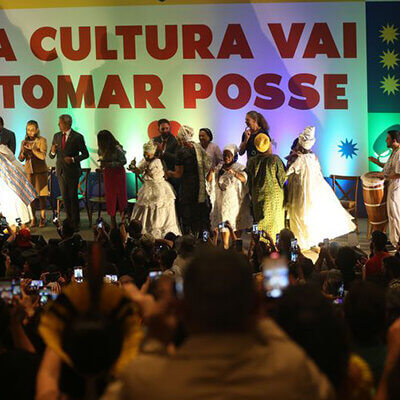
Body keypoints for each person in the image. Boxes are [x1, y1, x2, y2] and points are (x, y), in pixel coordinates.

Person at [102, 247, 334, 400]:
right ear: (255, 306)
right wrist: (266, 315)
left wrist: (154, 338)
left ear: (182, 310)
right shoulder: (291, 370)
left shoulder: (145, 380)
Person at [286, 126, 356, 250]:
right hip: (315, 191)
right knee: (310, 215)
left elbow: (285, 173)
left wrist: (289, 161)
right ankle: (311, 242)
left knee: (301, 216)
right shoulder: (313, 157)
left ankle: (303, 243)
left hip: (302, 192)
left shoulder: (299, 159)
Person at [129, 141, 181, 238]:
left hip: (158, 188)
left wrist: (144, 170)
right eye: (144, 154)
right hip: (147, 187)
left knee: (158, 209)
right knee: (146, 209)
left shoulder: (157, 162)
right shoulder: (144, 160)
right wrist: (134, 167)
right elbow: (139, 171)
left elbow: (152, 174)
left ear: (153, 153)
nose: (145, 156)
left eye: (147, 154)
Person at [167, 125, 211, 236]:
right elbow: (208, 164)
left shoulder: (181, 152)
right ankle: (203, 241)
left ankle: (188, 242)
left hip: (187, 188)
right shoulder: (198, 147)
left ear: (181, 138)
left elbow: (178, 174)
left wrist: (168, 173)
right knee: (199, 216)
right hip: (199, 187)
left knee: (187, 216)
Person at [207, 144, 252, 249]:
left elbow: (244, 179)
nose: (226, 157)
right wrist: (211, 172)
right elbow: (209, 180)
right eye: (224, 155)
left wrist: (234, 173)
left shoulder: (239, 167)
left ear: (234, 156)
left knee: (235, 224)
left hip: (233, 201)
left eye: (229, 155)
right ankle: (226, 246)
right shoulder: (219, 167)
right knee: (223, 223)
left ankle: (237, 248)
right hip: (221, 200)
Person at [49, 114, 89, 231]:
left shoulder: (77, 137)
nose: (58, 125)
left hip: (72, 171)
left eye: (60, 123)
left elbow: (85, 154)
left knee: (73, 197)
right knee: (65, 198)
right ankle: (68, 223)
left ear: (67, 124)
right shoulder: (56, 136)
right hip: (61, 171)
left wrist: (73, 159)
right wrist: (52, 152)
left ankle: (75, 223)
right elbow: (52, 156)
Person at [247, 133, 286, 240]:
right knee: (275, 225)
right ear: (268, 144)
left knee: (260, 223)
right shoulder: (275, 160)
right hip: (274, 198)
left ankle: (261, 247)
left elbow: (249, 182)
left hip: (257, 196)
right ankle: (274, 248)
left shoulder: (251, 161)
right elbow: (282, 179)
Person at [369, 129, 400, 246]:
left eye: (388, 138)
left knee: (394, 215)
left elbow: (398, 173)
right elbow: (388, 167)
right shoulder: (394, 151)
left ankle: (396, 243)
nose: (386, 140)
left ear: (394, 140)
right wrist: (376, 162)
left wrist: (383, 175)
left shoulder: (399, 153)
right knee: (392, 215)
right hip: (391, 186)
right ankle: (393, 239)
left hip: (395, 188)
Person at [18, 120, 49, 228]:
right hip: (29, 173)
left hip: (40, 172)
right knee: (31, 197)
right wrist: (23, 152)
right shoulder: (24, 142)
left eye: (32, 130)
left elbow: (43, 156)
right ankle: (33, 218)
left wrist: (33, 150)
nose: (29, 132)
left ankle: (42, 218)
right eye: (28, 129)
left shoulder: (42, 140)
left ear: (36, 130)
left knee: (42, 197)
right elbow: (20, 158)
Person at [97, 130, 127, 229]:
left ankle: (123, 221)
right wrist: (102, 166)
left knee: (120, 196)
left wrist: (109, 164)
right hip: (108, 175)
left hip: (118, 174)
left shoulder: (117, 148)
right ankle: (113, 222)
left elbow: (123, 161)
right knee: (110, 198)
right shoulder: (101, 150)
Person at [0, 144, 35, 225]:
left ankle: (22, 227)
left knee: (17, 202)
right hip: (4, 182)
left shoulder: (3, 149)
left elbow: (10, 161)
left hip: (12, 179)